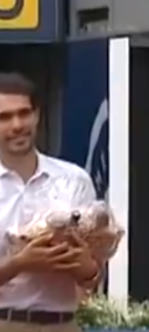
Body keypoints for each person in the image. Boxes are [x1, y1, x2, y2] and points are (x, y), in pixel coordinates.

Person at [0, 73, 101, 332]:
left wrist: (86, 268)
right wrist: (20, 264)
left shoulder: (74, 179)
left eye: (24, 113)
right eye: (4, 117)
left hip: (63, 324)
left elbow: (93, 275)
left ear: (37, 115)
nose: (16, 125)